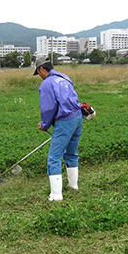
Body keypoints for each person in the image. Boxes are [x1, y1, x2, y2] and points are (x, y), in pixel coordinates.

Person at [34, 57, 83, 201]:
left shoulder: (46, 84)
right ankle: (73, 186)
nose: (40, 77)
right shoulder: (64, 77)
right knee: (71, 153)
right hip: (77, 118)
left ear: (41, 69)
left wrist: (44, 124)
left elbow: (48, 108)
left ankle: (56, 196)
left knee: (54, 157)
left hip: (65, 121)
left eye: (38, 73)